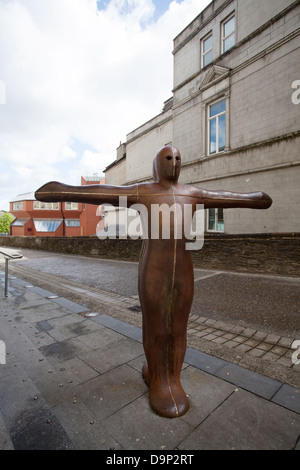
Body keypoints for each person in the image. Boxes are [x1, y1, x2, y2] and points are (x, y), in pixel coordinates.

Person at [35, 145, 272, 418]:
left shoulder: (191, 193)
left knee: (179, 327)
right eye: (168, 158)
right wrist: (61, 191)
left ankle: (169, 376)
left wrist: (254, 198)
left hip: (184, 271)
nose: (174, 163)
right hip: (154, 271)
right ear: (157, 164)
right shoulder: (144, 191)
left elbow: (225, 197)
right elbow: (106, 193)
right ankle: (161, 379)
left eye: (178, 158)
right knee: (157, 325)